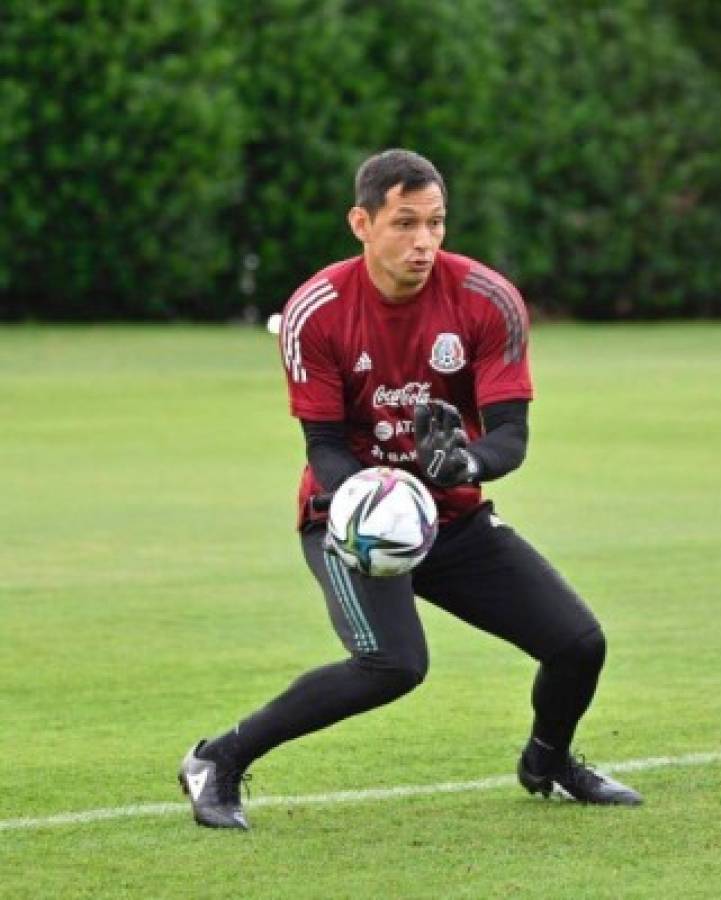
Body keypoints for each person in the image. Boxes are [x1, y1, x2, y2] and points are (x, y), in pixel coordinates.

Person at [178, 149, 642, 830]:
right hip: (349, 519)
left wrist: (465, 465)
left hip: (451, 520)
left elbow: (510, 438)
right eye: (404, 224)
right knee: (391, 664)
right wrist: (375, 495)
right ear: (361, 223)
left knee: (578, 644)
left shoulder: (488, 300)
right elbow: (325, 448)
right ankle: (217, 760)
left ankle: (548, 761)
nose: (423, 241)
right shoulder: (318, 310)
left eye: (435, 223)